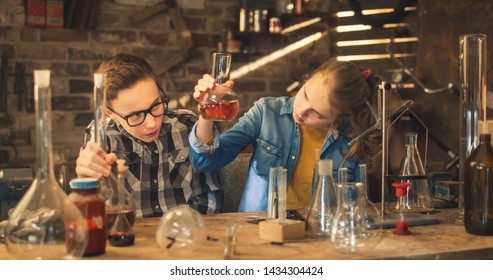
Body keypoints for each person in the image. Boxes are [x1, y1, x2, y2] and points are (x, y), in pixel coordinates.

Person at [189, 58, 381, 212]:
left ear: (342, 116)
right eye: (304, 94)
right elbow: (204, 162)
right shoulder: (266, 112)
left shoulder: (354, 140)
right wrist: (206, 111)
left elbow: (355, 209)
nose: (301, 110)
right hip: (257, 232)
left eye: (317, 114)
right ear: (307, 80)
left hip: (320, 237)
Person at [75, 53, 223, 218]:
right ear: (110, 113)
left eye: (155, 106)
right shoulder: (102, 136)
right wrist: (86, 180)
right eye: (135, 116)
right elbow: (100, 211)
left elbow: (209, 198)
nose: (152, 123)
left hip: (186, 235)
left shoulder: (186, 125)